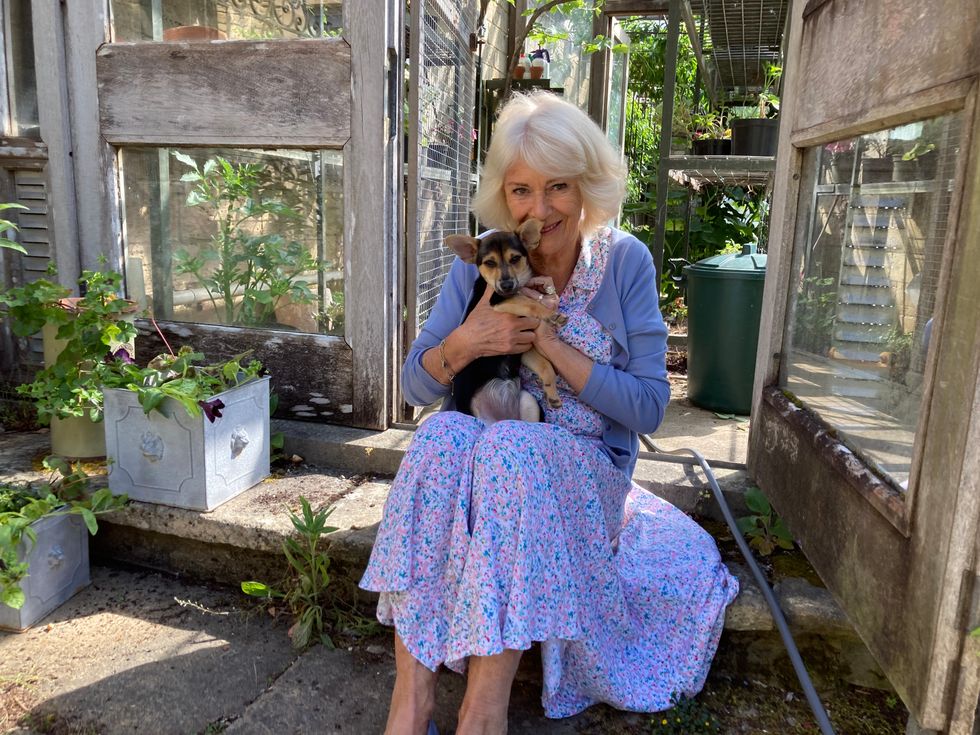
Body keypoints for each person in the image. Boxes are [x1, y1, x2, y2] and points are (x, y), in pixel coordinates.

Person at [360, 90, 738, 735]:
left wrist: (553, 345)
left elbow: (650, 407)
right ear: (502, 197)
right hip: (482, 464)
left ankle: (483, 714)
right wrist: (465, 343)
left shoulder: (624, 262)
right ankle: (411, 703)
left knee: (511, 447)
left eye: (558, 186)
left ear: (587, 186)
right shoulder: (485, 261)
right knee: (441, 435)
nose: (540, 209)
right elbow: (415, 387)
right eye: (521, 190)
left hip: (586, 475)